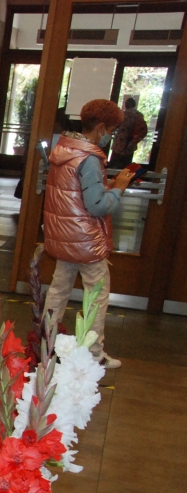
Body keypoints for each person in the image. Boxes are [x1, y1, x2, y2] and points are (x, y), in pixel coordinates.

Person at [43, 98, 135, 370]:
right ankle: (93, 354)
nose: (112, 136)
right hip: (85, 240)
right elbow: (96, 205)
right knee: (96, 295)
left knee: (58, 291)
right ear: (102, 127)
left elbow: (74, 195)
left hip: (63, 236)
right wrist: (117, 188)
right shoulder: (90, 159)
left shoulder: (65, 148)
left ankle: (47, 346)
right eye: (113, 130)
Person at [109, 97, 148, 169]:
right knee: (126, 165)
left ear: (126, 105)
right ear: (134, 105)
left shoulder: (123, 115)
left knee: (114, 165)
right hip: (131, 143)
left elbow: (115, 126)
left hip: (120, 143)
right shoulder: (139, 115)